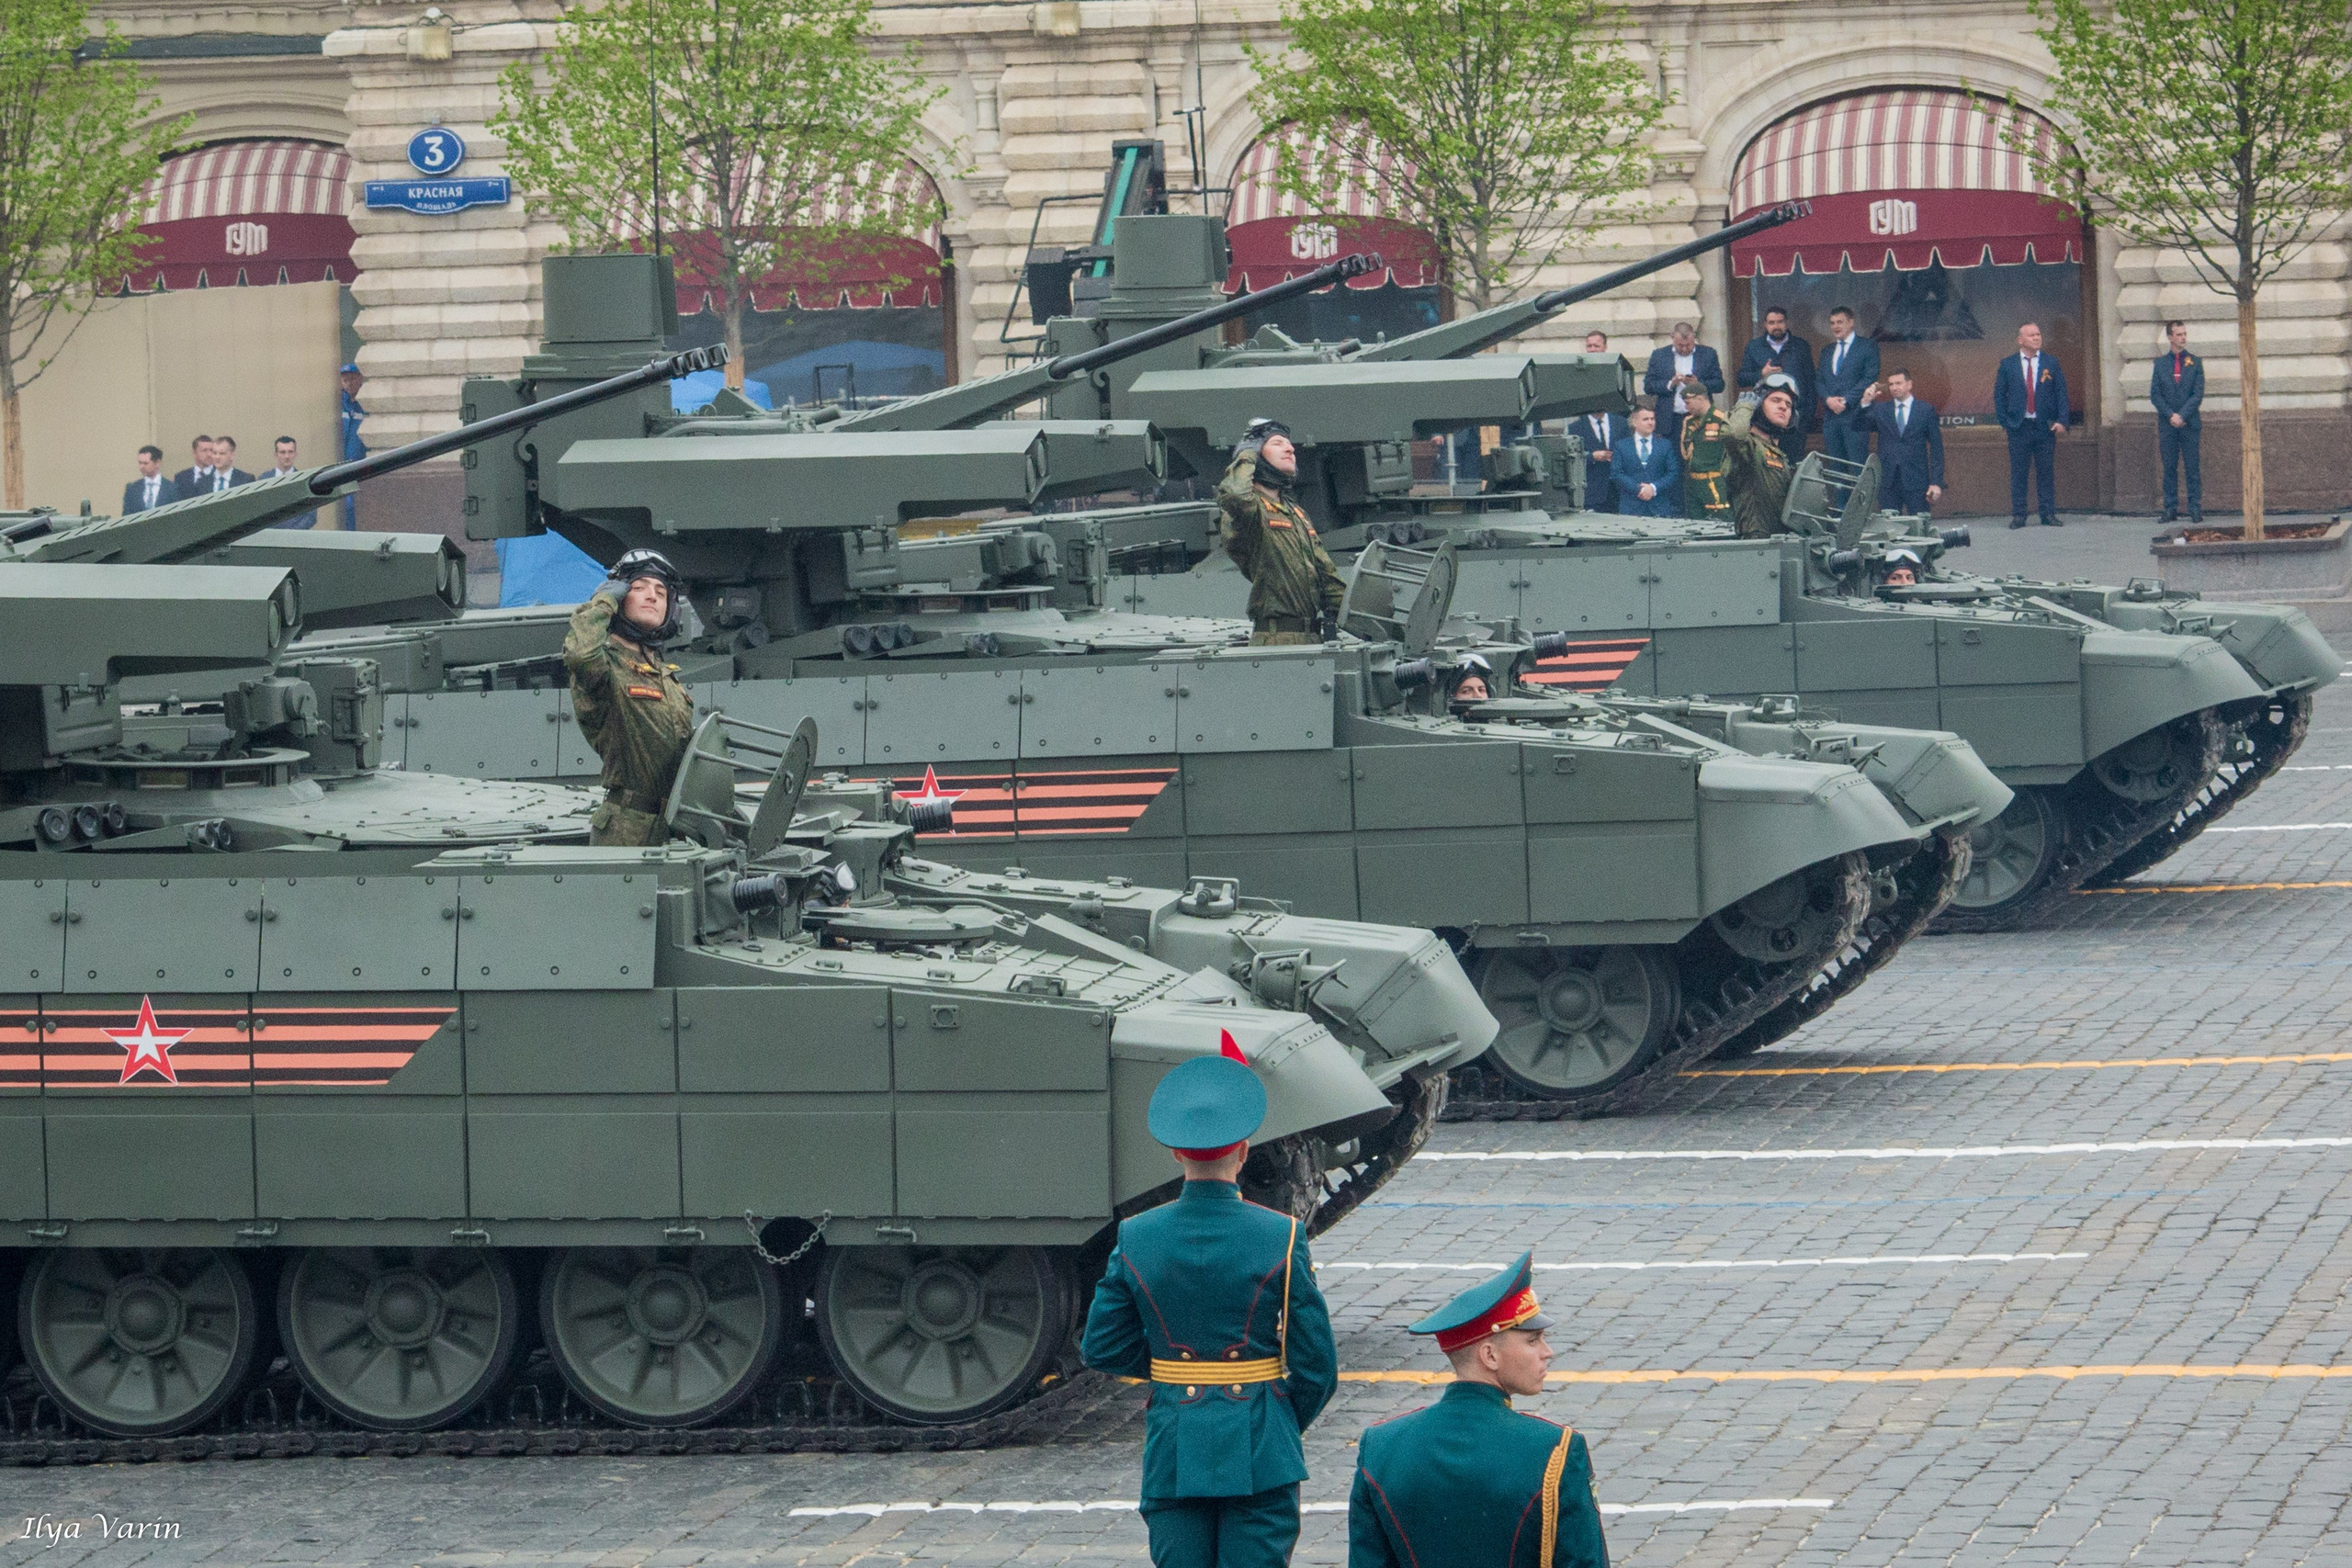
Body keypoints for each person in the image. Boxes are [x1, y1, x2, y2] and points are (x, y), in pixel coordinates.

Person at [1081, 1038, 1338, 1568]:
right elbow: (1316, 1367)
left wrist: (1173, 1374)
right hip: (1262, 1448)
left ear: (1175, 1152)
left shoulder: (1137, 1235)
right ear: (1244, 1151)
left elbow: (1101, 1345)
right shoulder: (1282, 1235)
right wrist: (1275, 1418)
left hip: (1176, 1445)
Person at [1347, 1252, 1609, 1568]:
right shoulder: (1556, 1450)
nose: (1547, 1352)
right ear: (1490, 1356)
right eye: (1533, 1340)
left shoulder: (1381, 1446)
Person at [561, 548, 697, 846]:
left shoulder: (663, 673)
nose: (652, 596)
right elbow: (580, 654)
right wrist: (604, 601)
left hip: (672, 827)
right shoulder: (606, 665)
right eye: (638, 588)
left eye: (661, 593)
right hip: (625, 829)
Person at [1218, 417, 1345, 645]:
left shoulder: (1295, 511)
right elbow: (1235, 496)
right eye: (1277, 443)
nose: (1290, 448)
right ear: (1257, 454)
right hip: (1276, 639)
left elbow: (1326, 576)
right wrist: (1247, 455)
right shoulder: (1250, 510)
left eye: (1289, 444)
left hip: (1313, 638)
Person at [1994, 321, 2069, 528]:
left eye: (2038, 334)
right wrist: (2005, 422)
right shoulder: (2007, 364)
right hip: (2019, 427)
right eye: (2031, 335)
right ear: (2020, 340)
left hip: (2044, 426)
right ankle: (2019, 515)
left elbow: (2061, 392)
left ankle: (2048, 514)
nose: (2037, 338)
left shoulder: (2051, 363)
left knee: (2046, 472)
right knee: (2019, 473)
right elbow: (1999, 395)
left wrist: (2062, 420)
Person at [1721, 378, 1801, 538]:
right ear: (1758, 407)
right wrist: (1745, 407)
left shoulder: (1778, 454)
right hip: (1758, 543)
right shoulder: (1748, 447)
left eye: (1788, 404)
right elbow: (1733, 435)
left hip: (1782, 541)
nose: (1783, 406)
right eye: (1775, 400)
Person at [1859, 369, 1945, 513]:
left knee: (1919, 528)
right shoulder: (1881, 410)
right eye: (1891, 384)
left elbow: (1937, 448)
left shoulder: (1925, 410)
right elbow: (1859, 425)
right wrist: (1866, 402)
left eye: (1898, 383)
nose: (1894, 387)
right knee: (1890, 529)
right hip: (1888, 481)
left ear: (1910, 384)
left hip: (1916, 480)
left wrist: (1936, 482)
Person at [1736, 306, 1813, 466]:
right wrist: (1761, 374)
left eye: (1780, 322)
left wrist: (1806, 415)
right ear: (1765, 324)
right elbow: (1741, 378)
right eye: (1772, 322)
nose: (1776, 326)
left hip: (1794, 419)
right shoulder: (1754, 347)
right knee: (1766, 465)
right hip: (1763, 422)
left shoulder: (1801, 346)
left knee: (1793, 465)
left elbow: (1810, 382)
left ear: (1787, 323)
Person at [1641, 321, 1724, 457]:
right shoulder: (1659, 355)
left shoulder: (1708, 354)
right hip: (1670, 420)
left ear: (1694, 338)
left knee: (1699, 458)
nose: (1685, 349)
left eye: (1688, 345)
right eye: (1680, 345)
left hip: (1699, 418)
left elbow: (1719, 384)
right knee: (1672, 461)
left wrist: (1699, 384)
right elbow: (1648, 386)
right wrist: (1670, 384)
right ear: (1672, 338)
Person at [2150, 319, 2204, 524]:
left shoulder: (2195, 363)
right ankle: (2170, 508)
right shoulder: (2161, 364)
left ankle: (2195, 508)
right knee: (2169, 467)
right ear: (2170, 337)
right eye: (2179, 334)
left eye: (2184, 334)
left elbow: (2197, 394)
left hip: (2189, 424)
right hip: (2168, 425)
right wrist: (2170, 415)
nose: (2183, 338)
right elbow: (2155, 395)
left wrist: (2183, 415)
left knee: (2192, 467)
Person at [1815, 306, 1880, 468]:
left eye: (1840, 322)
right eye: (1832, 323)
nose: (1835, 326)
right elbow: (1819, 381)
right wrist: (1828, 400)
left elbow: (1869, 378)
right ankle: (1840, 496)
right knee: (1836, 469)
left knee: (1857, 468)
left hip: (1856, 416)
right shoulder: (1827, 351)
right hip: (1831, 418)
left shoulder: (1867, 346)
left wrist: (1846, 401)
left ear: (1851, 322)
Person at [1610, 406, 1679, 517]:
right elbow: (1616, 474)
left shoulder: (1665, 445)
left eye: (1652, 419)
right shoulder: (1621, 446)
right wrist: (1639, 489)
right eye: (1645, 419)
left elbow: (1673, 473)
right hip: (1631, 507)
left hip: (1659, 507)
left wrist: (1653, 488)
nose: (1650, 422)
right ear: (1634, 422)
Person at [1677, 386, 1732, 523]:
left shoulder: (1721, 419)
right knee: (1694, 524)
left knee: (1720, 522)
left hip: (1713, 481)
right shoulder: (1688, 422)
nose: (1686, 407)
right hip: (1692, 483)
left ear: (1700, 398)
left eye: (1688, 403)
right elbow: (1685, 452)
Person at [265, 435, 320, 529]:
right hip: (270, 537)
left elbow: (311, 515)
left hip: (297, 538)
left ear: (295, 454)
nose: (287, 456)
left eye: (290, 452)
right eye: (283, 452)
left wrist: (292, 533)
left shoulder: (305, 480)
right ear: (276, 454)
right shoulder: (264, 479)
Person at [339, 363, 368, 530]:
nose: (349, 383)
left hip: (360, 467)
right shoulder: (339, 403)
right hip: (341, 468)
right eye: (345, 380)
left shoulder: (366, 403)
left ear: (360, 379)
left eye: (352, 379)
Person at [1577, 410, 1618, 514]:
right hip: (1591, 491)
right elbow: (1573, 456)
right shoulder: (1576, 427)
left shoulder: (1620, 423)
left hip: (1616, 491)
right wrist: (1592, 456)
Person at [121, 445, 179, 514]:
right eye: (140, 463)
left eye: (146, 463)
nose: (141, 467)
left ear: (157, 463)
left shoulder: (172, 489)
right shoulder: (132, 489)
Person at [170, 434, 216, 499]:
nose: (209, 454)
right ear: (194, 453)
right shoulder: (181, 478)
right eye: (204, 450)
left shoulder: (220, 475)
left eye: (211, 450)